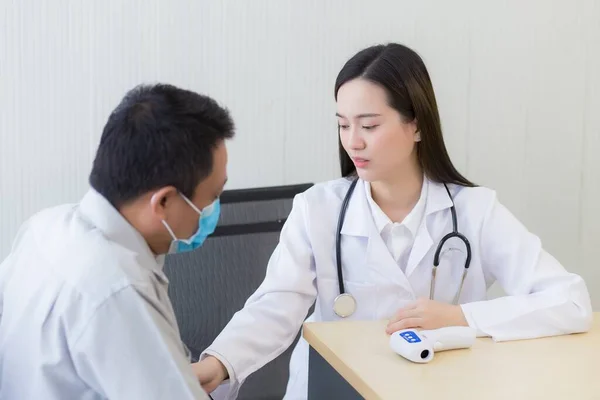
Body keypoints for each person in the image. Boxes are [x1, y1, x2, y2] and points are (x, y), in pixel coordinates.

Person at [193, 43, 593, 399]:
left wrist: (463, 317)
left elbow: (571, 302)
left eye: (368, 125)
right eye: (343, 124)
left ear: (416, 124)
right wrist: (219, 362)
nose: (353, 141)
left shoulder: (475, 211)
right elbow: (274, 307)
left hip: (444, 389)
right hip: (334, 390)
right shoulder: (317, 209)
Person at [0, 83, 234, 399]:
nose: (210, 211)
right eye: (213, 197)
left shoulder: (44, 228)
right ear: (163, 202)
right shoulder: (118, 289)